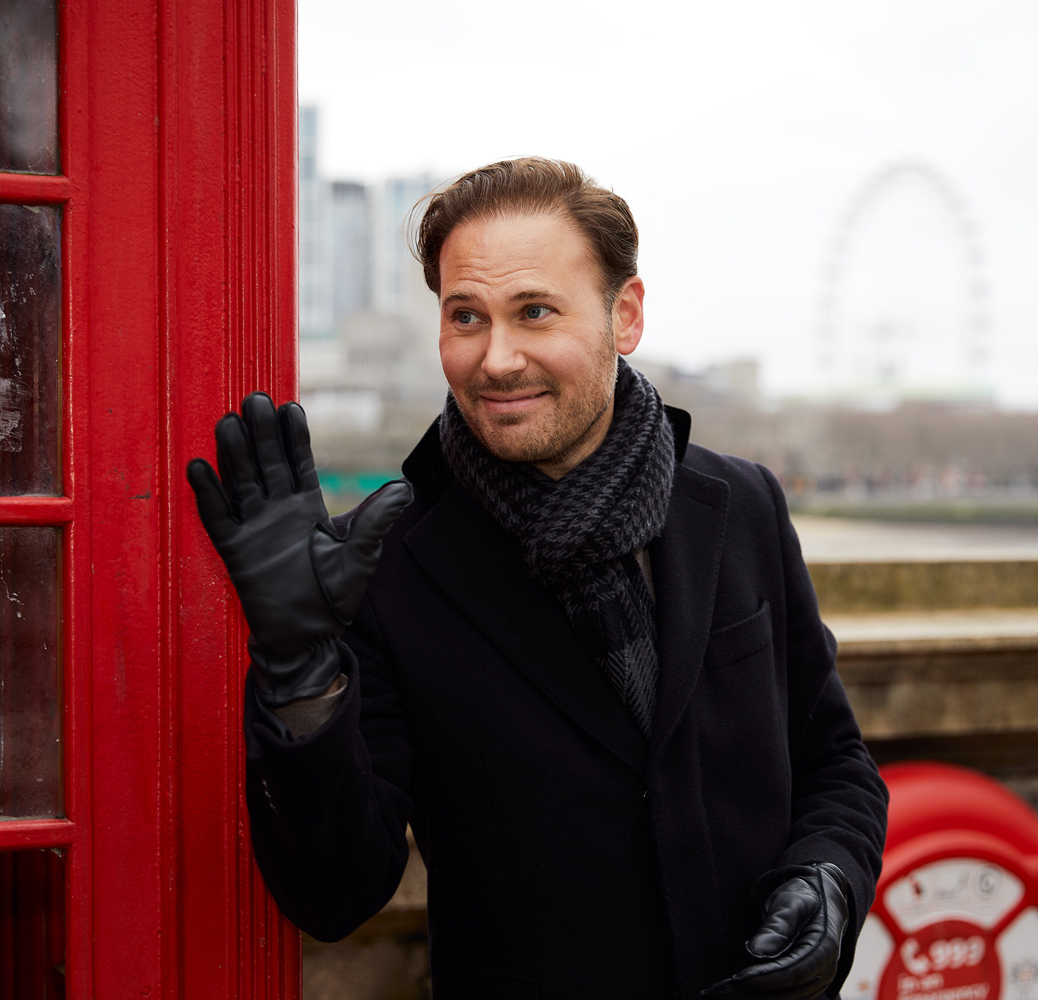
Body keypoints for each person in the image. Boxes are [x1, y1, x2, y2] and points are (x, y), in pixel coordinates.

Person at [188, 158, 888, 999]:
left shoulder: (742, 506)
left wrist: (830, 880)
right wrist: (300, 671)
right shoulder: (381, 565)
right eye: (466, 317)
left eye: (534, 312)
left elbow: (833, 758)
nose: (496, 358)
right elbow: (334, 894)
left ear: (625, 315)